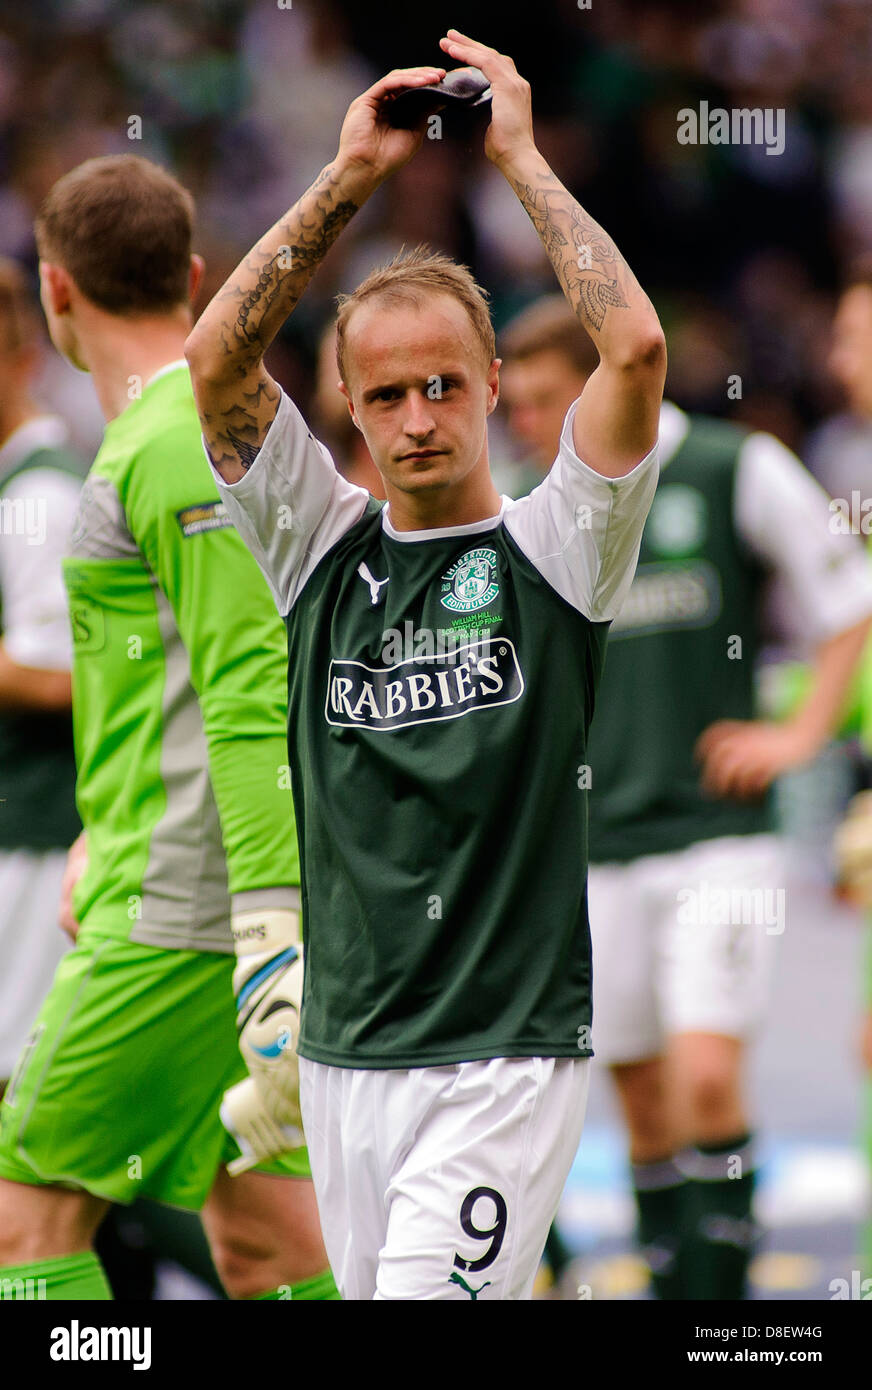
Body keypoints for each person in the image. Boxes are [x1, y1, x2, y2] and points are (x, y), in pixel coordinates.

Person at [186, 28, 666, 1300]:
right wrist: (347, 176)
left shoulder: (561, 548)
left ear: (495, 383)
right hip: (344, 1060)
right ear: (344, 402)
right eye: (385, 394)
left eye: (443, 387)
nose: (416, 419)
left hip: (500, 1060)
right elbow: (214, 363)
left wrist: (513, 156)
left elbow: (634, 354)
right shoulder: (313, 549)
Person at [0, 154, 337, 1301]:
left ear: (55, 292)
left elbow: (247, 683)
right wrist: (108, 820)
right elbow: (186, 681)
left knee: (23, 1223)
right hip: (190, 883)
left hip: (189, 913)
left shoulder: (168, 438)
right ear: (189, 274)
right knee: (266, 1243)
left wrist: (266, 927)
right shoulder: (176, 431)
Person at [500, 291, 872, 1299]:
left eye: (539, 399)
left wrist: (796, 733)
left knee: (705, 1077)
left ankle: (723, 1318)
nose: (523, 423)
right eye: (515, 405)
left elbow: (847, 596)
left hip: (716, 836)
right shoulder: (533, 508)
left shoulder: (722, 465)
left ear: (596, 380)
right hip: (594, 843)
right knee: (645, 1108)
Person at [0, 256, 82, 1099]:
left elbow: (57, 675)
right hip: (16, 835)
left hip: (34, 839)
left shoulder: (40, 498)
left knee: (26, 1098)